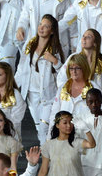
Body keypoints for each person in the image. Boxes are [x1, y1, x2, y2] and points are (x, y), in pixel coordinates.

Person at [15, 14, 65, 145]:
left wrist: (55, 61)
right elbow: (21, 69)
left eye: (46, 26)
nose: (41, 28)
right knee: (40, 129)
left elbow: (63, 75)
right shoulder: (30, 46)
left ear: (52, 31)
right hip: (32, 95)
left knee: (44, 128)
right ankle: (47, 155)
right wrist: (13, 86)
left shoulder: (55, 49)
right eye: (40, 25)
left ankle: (47, 158)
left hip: (48, 97)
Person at [0, 62, 27, 138]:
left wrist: (0, 128)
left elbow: (16, 119)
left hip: (10, 135)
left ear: (7, 76)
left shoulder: (15, 95)